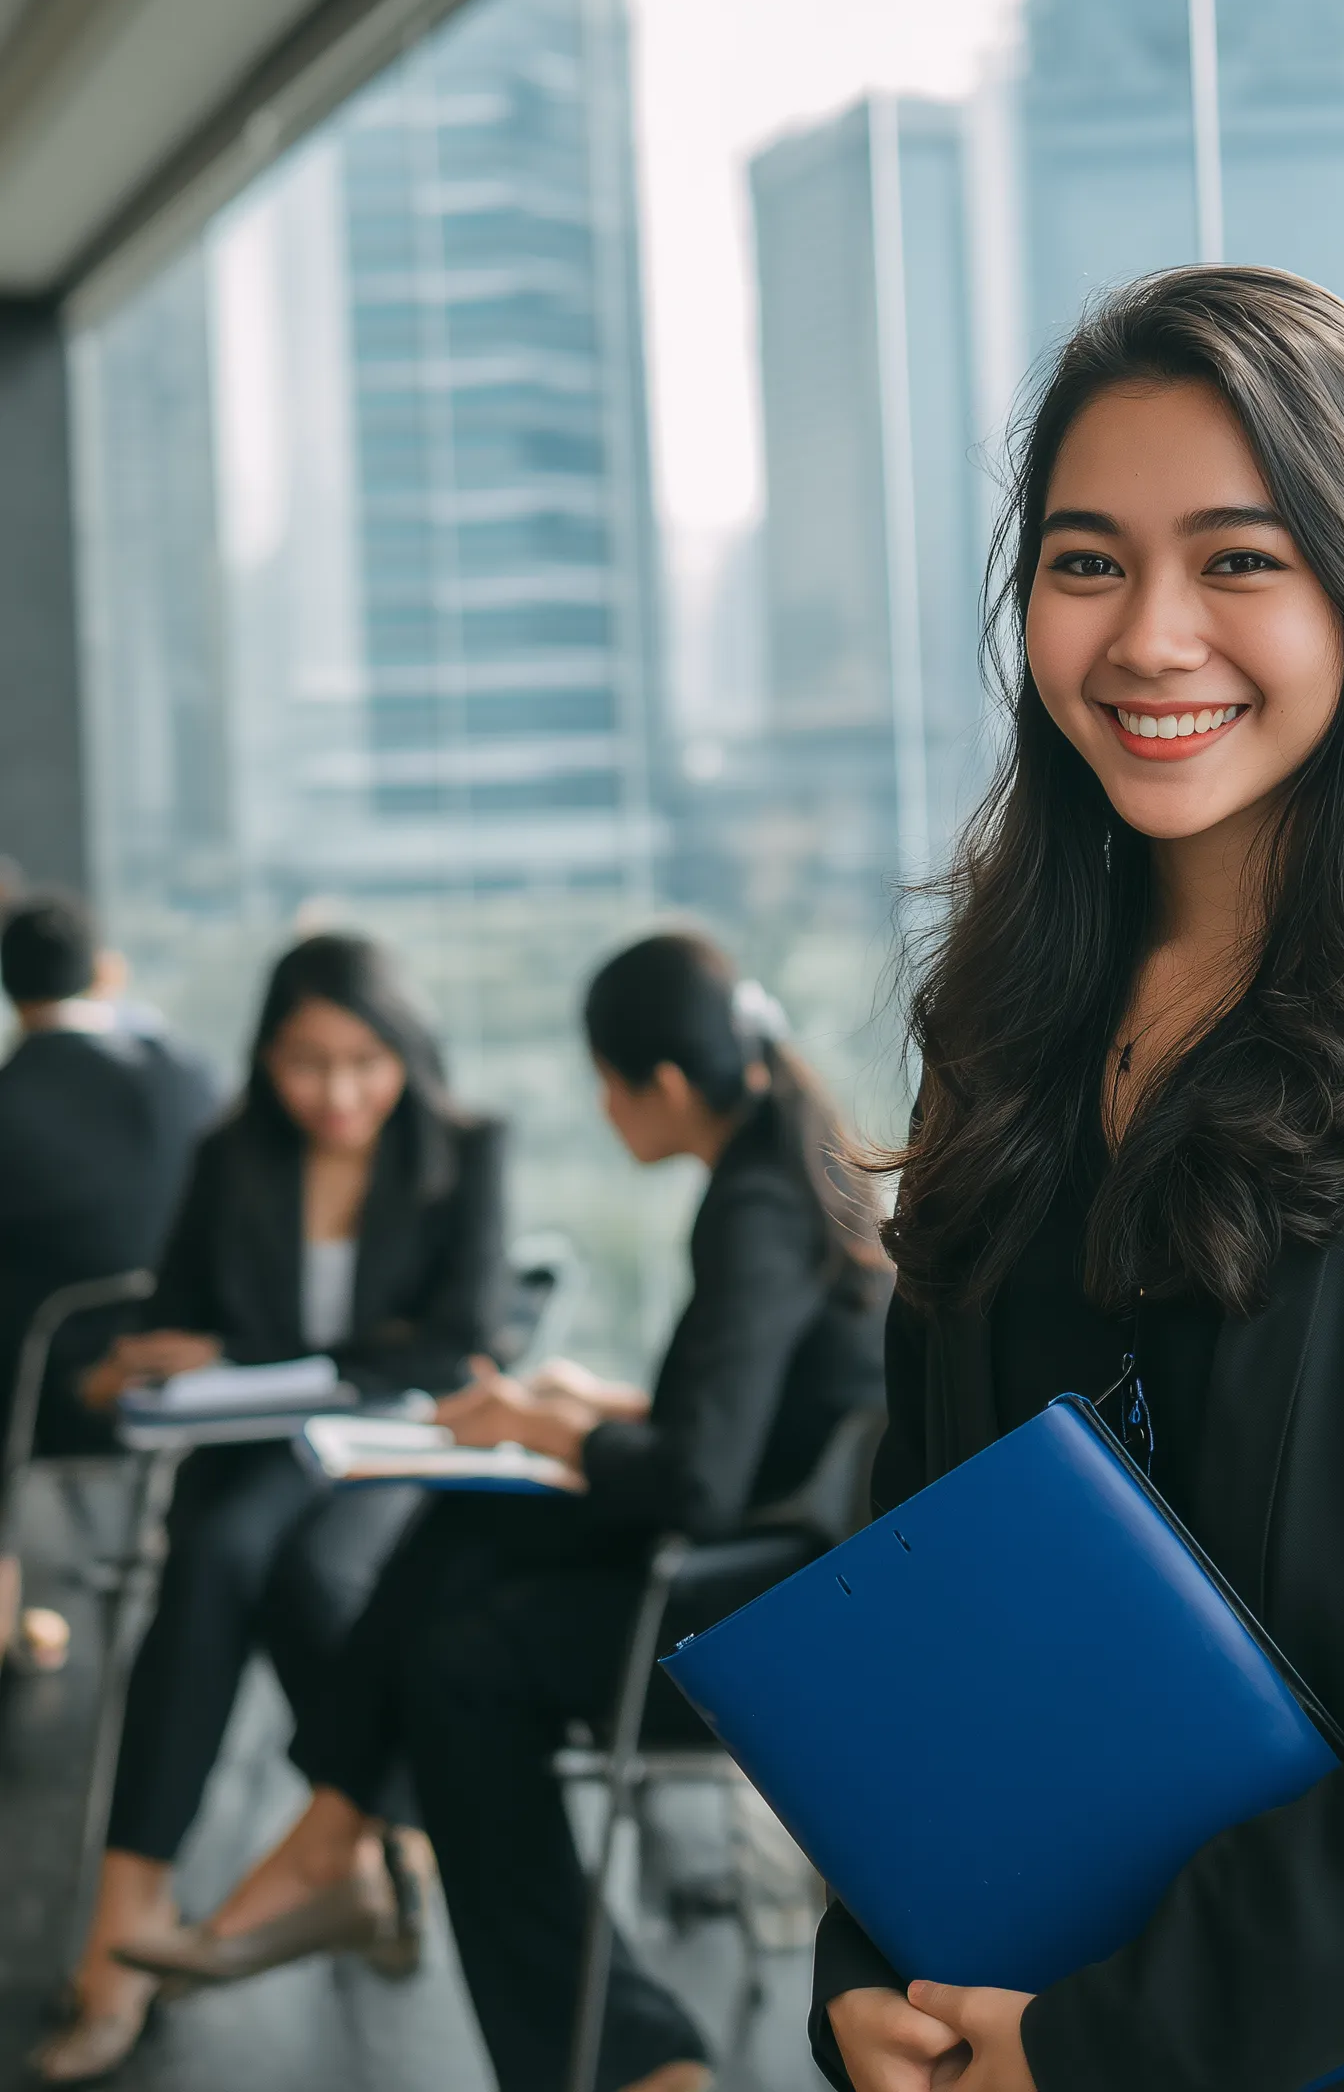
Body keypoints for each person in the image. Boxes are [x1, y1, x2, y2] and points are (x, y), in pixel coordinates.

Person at [814, 268, 1344, 2092]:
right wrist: (866, 1966)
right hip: (1012, 2018)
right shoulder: (1002, 1034)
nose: (1149, 638)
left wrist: (1102, 2045)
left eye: (1242, 559)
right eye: (1087, 559)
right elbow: (918, 1581)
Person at [117, 930, 891, 2092]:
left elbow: (695, 1478)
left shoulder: (756, 1206)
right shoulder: (779, 1169)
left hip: (771, 1593)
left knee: (461, 1666)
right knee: (465, 1539)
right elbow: (748, 1422)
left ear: (662, 1087)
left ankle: (608, 2042)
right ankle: (343, 1836)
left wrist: (557, 1429)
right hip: (781, 1546)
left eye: (607, 1081)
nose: (603, 1105)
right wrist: (585, 1401)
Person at [32, 932, 505, 2085]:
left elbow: (457, 1343)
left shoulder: (465, 1147)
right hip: (244, 1449)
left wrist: (261, 1350)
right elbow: (184, 1310)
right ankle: (351, 1849)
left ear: (402, 1049)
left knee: (253, 1565)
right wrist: (136, 1365)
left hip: (389, 1446)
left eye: (362, 1062)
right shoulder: (229, 1151)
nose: (337, 1093)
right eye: (306, 1064)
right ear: (266, 1058)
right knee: (229, 1558)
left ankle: (141, 1936)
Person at [0, 891, 219, 1670]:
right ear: (107, 972)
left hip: (53, 1395)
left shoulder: (11, 1101)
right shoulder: (190, 1079)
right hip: (196, 1377)